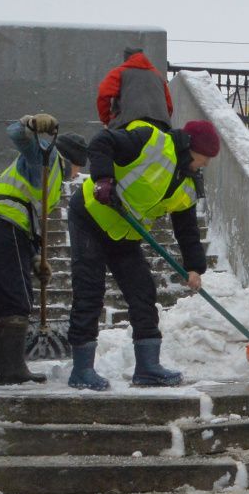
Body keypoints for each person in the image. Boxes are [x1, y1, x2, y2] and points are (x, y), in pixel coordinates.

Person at [66, 117, 219, 390]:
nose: (205, 165)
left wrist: (194, 267)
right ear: (190, 147)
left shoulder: (187, 184)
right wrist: (103, 179)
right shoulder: (152, 141)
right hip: (91, 215)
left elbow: (187, 229)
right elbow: (102, 142)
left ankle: (148, 367)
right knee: (89, 290)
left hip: (125, 233)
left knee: (143, 292)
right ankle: (81, 370)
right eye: (203, 158)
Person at [0, 112, 76, 385]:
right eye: (78, 168)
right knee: (18, 301)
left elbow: (32, 219)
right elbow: (17, 134)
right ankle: (13, 370)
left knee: (7, 300)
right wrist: (30, 124)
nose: (78, 175)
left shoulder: (52, 182)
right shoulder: (46, 159)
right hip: (3, 222)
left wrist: (36, 259)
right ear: (71, 160)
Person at [95, 47, 173, 130]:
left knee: (101, 141)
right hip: (160, 127)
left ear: (126, 58)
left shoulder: (119, 72)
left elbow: (103, 94)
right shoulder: (158, 76)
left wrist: (107, 120)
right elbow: (169, 106)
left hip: (127, 126)